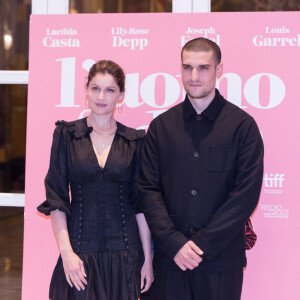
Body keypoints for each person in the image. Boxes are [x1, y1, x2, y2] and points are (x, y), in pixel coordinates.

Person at [138, 37, 264, 300]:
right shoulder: (161, 128)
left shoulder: (243, 127)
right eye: (187, 67)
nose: (194, 76)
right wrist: (174, 243)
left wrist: (201, 246)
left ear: (219, 71)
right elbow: (148, 191)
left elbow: (245, 196)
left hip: (221, 263)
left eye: (203, 68)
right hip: (170, 262)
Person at [38, 60, 154, 300]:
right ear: (86, 90)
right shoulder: (66, 135)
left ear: (121, 95)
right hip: (79, 254)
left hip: (126, 254)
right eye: (95, 88)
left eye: (110, 90)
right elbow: (57, 199)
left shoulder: (135, 141)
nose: (101, 96)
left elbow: (140, 206)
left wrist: (148, 260)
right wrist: (67, 253)